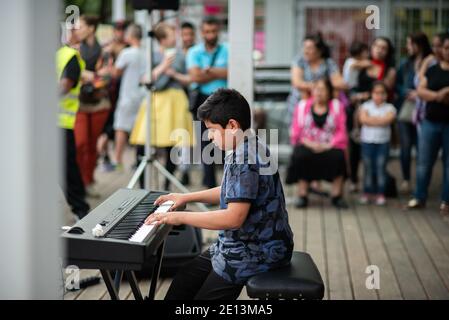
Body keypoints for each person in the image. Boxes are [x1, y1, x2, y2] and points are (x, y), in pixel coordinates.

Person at [145, 88, 294, 300]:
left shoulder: (244, 158)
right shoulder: (250, 143)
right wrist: (186, 197)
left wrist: (176, 217)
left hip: (256, 252)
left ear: (232, 125)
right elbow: (231, 191)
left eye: (213, 130)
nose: (210, 137)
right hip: (246, 243)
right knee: (185, 279)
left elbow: (233, 218)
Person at [286, 78, 349, 209]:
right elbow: (296, 131)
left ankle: (337, 195)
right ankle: (302, 194)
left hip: (329, 145)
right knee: (301, 155)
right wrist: (310, 144)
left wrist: (327, 145)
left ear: (329, 92)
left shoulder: (337, 107)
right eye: (316, 89)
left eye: (322, 89)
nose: (319, 92)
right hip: (308, 144)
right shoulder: (302, 106)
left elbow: (342, 131)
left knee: (339, 156)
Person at [148, 23, 193, 190]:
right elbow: (145, 79)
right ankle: (144, 185)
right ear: (162, 39)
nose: (175, 36)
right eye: (171, 34)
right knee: (146, 143)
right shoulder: (151, 56)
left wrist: (174, 74)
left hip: (175, 101)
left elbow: (190, 79)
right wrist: (163, 67)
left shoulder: (181, 56)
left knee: (172, 144)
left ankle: (167, 184)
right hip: (156, 102)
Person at [407, 33, 449, 216]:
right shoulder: (433, 69)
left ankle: (446, 201)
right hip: (430, 122)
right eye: (445, 48)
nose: (446, 51)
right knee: (424, 162)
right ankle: (419, 197)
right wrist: (439, 95)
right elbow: (420, 90)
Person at [186, 17, 228, 189]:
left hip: (224, 99)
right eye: (207, 31)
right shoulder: (194, 51)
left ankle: (229, 185)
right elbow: (194, 77)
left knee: (228, 143)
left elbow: (233, 71)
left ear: (218, 31)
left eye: (213, 31)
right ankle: (210, 186)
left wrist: (208, 72)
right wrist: (219, 72)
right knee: (205, 144)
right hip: (203, 100)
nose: (210, 35)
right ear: (202, 33)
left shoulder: (228, 49)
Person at [74, 15, 111, 197]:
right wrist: (91, 75)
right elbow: (71, 75)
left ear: (91, 28)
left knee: (92, 145)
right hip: (78, 104)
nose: (77, 30)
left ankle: (89, 181)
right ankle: (80, 181)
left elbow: (105, 78)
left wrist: (86, 76)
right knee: (80, 144)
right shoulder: (75, 50)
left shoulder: (104, 51)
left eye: (81, 26)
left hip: (99, 105)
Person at [56, 27, 90, 220]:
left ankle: (81, 210)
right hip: (40, 123)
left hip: (61, 122)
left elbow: (66, 84)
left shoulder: (68, 55)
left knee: (67, 169)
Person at [395, 32, 432, 194]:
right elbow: (397, 84)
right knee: (405, 146)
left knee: (421, 147)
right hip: (407, 109)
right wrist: (406, 92)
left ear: (419, 45)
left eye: (410, 43)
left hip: (424, 110)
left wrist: (420, 94)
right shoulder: (405, 63)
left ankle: (421, 182)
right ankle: (406, 179)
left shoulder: (430, 62)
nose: (408, 47)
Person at [108, 24, 146, 170]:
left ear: (130, 35)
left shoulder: (127, 53)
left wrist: (110, 67)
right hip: (142, 96)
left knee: (121, 128)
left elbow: (116, 73)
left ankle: (118, 161)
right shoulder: (146, 52)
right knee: (140, 129)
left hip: (128, 96)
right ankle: (138, 160)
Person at [287, 33, 347, 122]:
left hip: (322, 105)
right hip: (299, 103)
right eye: (304, 47)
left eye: (310, 48)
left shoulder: (328, 63)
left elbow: (339, 83)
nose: (305, 51)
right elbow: (297, 82)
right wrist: (321, 86)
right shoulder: (299, 61)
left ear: (319, 51)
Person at [97, 20, 129, 172]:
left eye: (122, 30)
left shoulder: (129, 47)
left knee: (115, 129)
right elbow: (100, 71)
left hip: (123, 94)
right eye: (118, 30)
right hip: (109, 94)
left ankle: (113, 159)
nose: (120, 33)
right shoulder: (107, 50)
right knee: (106, 131)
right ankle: (105, 157)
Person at [359, 82, 397, 205]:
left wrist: (372, 120)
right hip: (367, 142)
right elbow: (363, 119)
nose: (379, 96)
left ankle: (380, 193)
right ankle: (367, 191)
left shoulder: (390, 108)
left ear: (386, 95)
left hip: (382, 143)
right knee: (368, 168)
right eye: (376, 93)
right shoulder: (365, 106)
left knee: (380, 168)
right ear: (371, 94)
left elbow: (388, 119)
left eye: (382, 93)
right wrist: (380, 120)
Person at [342, 41, 371, 192]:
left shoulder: (354, 62)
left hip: (354, 97)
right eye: (366, 51)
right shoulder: (352, 62)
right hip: (352, 96)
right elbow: (361, 65)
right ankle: (352, 178)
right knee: (353, 144)